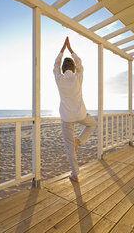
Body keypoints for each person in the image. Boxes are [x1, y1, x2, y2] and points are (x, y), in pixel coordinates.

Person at [53, 37, 97, 182]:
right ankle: (80, 140)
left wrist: (62, 50)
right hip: (80, 114)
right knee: (92, 124)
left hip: (66, 117)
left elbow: (55, 66)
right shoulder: (78, 76)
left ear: (63, 69)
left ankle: (75, 174)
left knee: (69, 146)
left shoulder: (59, 78)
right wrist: (70, 49)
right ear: (73, 68)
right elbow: (80, 63)